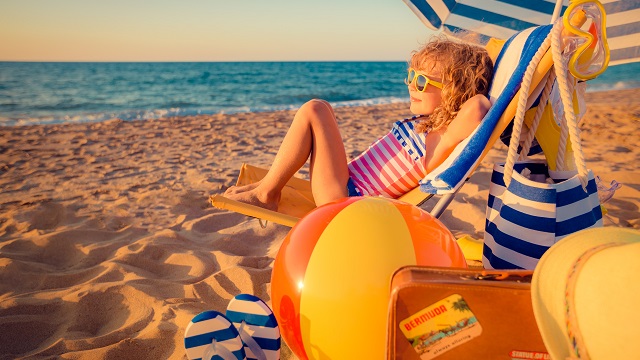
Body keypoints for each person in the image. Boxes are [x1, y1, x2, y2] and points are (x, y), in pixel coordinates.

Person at [224, 36, 494, 211]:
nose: (410, 84)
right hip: (347, 185)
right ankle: (268, 185)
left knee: (315, 110)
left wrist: (468, 88)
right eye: (411, 75)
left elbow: (478, 106)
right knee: (323, 109)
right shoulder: (426, 125)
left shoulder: (442, 138)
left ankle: (267, 193)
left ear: (453, 91)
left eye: (421, 81)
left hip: (345, 201)